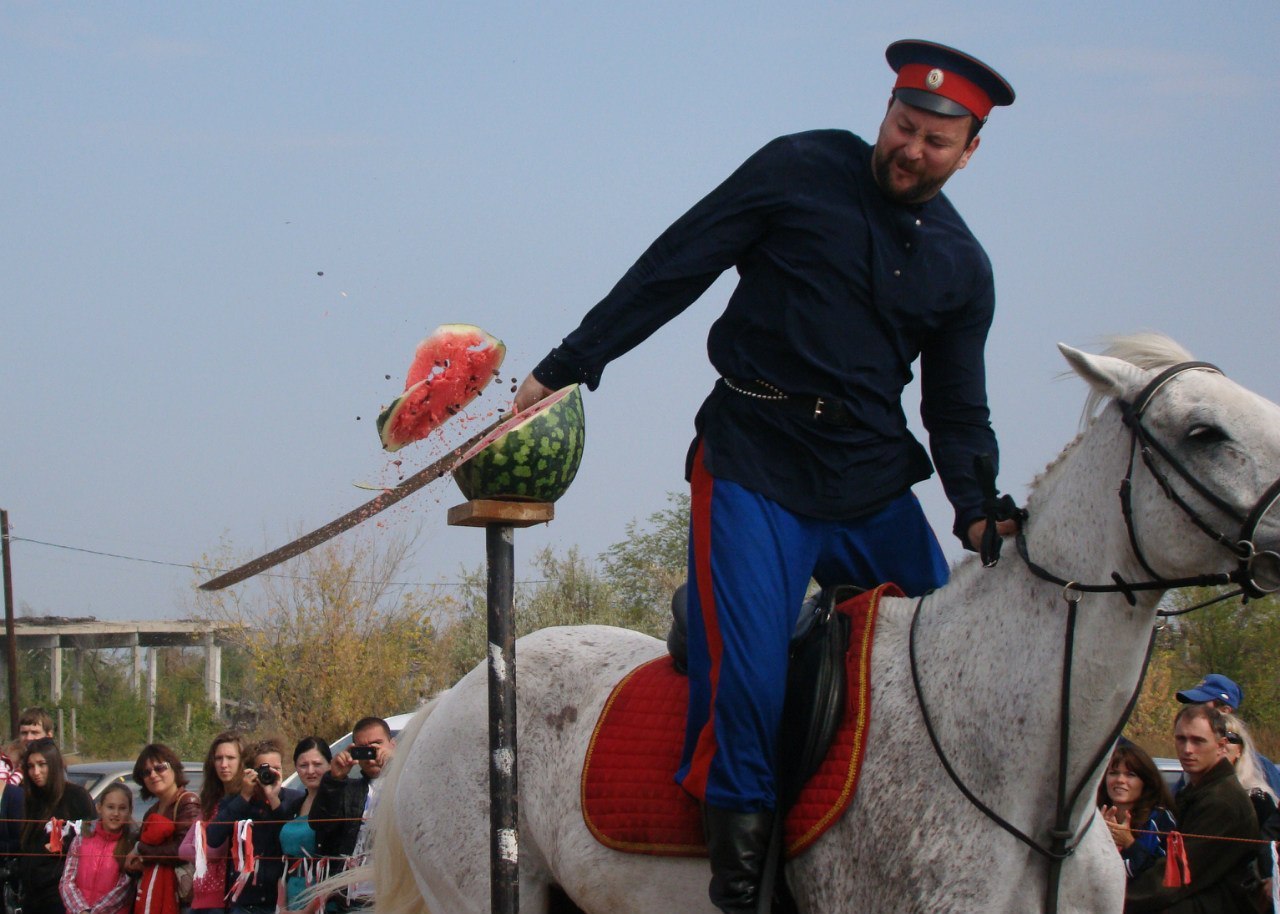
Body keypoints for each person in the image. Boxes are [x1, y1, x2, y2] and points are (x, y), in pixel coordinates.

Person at [511, 37, 1018, 912]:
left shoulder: (963, 268)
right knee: (748, 682)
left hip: (868, 478)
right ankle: (742, 892)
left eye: (938, 141)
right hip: (755, 458)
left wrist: (977, 511)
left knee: (946, 658)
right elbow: (678, 261)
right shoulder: (799, 166)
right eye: (904, 125)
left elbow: (959, 411)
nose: (912, 149)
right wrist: (567, 364)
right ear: (888, 113)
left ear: (970, 151)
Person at [1126, 704, 1260, 912]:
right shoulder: (1197, 790)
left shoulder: (1223, 801)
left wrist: (1118, 898)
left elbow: (1176, 875)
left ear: (1221, 746)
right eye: (1181, 739)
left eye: (1198, 741)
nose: (1188, 749)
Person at [207, 737, 304, 914]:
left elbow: (289, 842)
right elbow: (213, 838)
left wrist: (274, 800)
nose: (271, 774)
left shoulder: (293, 799)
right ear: (251, 771)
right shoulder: (236, 801)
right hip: (244, 901)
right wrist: (244, 797)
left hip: (279, 900)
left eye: (277, 768)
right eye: (265, 769)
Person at [311, 717, 395, 909]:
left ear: (393, 745)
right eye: (363, 748)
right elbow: (319, 825)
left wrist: (397, 766)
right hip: (351, 897)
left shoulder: (409, 782)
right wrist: (334, 779)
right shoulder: (347, 788)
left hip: (395, 894)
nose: (372, 753)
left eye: (377, 745)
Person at [16, 737, 96, 914]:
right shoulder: (30, 799)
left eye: (41, 764)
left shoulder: (76, 796)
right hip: (31, 897)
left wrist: (62, 845)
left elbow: (92, 843)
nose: (35, 772)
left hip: (62, 897)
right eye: (30, 766)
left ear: (54, 764)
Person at [124, 743, 199, 914]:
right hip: (153, 891)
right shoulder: (152, 811)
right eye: (146, 772)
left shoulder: (188, 802)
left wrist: (140, 850)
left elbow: (183, 851)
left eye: (160, 767)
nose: (153, 775)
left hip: (180, 899)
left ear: (174, 769)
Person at [1177, 673, 1280, 797]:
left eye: (1200, 705)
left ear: (1225, 711)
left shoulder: (1260, 767)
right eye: (1191, 704)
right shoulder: (1194, 769)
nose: (1192, 711)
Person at [180, 730, 248, 914]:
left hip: (225, 899)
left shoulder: (243, 801)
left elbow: (216, 851)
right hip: (201, 896)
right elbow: (183, 850)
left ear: (242, 761)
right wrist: (203, 849)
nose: (224, 764)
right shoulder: (212, 800)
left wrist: (201, 848)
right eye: (218, 758)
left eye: (231, 758)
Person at [1097, 741, 1177, 879]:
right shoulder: (1091, 818)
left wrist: (1129, 843)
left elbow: (1162, 877)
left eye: (1130, 774)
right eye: (1113, 773)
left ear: (1145, 781)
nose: (1120, 780)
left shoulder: (1159, 819)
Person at [59, 782, 137, 914]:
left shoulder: (131, 845)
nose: (116, 813)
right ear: (99, 808)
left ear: (129, 811)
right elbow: (66, 881)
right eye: (110, 807)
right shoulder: (81, 839)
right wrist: (81, 910)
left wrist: (94, 912)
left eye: (122, 808)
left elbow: (124, 889)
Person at [278, 736, 332, 913]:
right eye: (303, 765)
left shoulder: (337, 805)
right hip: (292, 897)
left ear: (329, 765)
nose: (310, 771)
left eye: (317, 764)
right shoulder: (294, 805)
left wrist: (308, 910)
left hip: (324, 902)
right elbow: (284, 863)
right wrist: (282, 907)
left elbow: (337, 867)